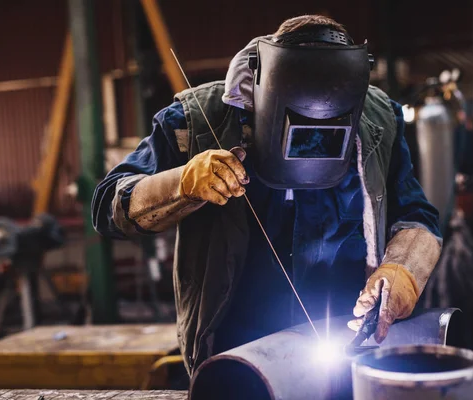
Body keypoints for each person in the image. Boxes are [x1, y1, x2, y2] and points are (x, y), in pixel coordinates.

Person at [91, 15, 442, 375]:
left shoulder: (380, 118)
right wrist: (182, 184)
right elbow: (108, 208)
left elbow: (418, 214)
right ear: (264, 88)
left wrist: (404, 271)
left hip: (349, 347)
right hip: (236, 351)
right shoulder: (195, 120)